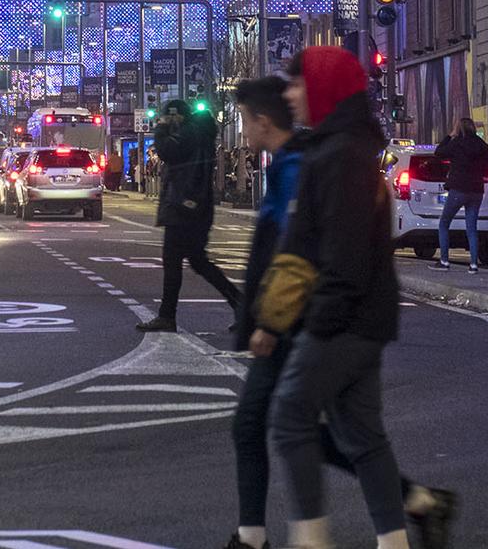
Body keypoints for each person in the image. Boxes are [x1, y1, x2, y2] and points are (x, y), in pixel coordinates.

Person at [225, 76, 456, 549]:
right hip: (313, 318)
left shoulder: (314, 163)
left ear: (263, 120)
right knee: (342, 431)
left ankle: (287, 537)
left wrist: (274, 322)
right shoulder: (305, 160)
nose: (243, 130)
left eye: (245, 120)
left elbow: (309, 253)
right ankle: (413, 507)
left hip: (310, 320)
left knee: (276, 420)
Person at [254, 46, 409, 549]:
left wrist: (312, 322)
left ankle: (311, 539)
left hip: (344, 320)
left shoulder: (339, 156)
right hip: (365, 317)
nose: (290, 95)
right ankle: (394, 542)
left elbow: (336, 253)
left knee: (289, 416)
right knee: (363, 438)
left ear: (321, 89)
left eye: (297, 85)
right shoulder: (338, 148)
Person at [140, 99, 241, 333]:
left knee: (173, 260)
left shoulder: (188, 134)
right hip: (195, 206)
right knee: (197, 260)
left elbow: (167, 151)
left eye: (169, 117)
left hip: (183, 206)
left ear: (177, 116)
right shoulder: (200, 133)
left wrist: (161, 128)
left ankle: (167, 316)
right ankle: (241, 305)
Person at [431, 117, 488, 272]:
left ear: (459, 128)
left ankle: (444, 261)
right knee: (471, 227)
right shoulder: (481, 144)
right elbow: (487, 167)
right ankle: (473, 264)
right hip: (477, 190)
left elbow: (439, 153)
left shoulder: (457, 143)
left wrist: (449, 136)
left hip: (458, 188)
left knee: (444, 223)